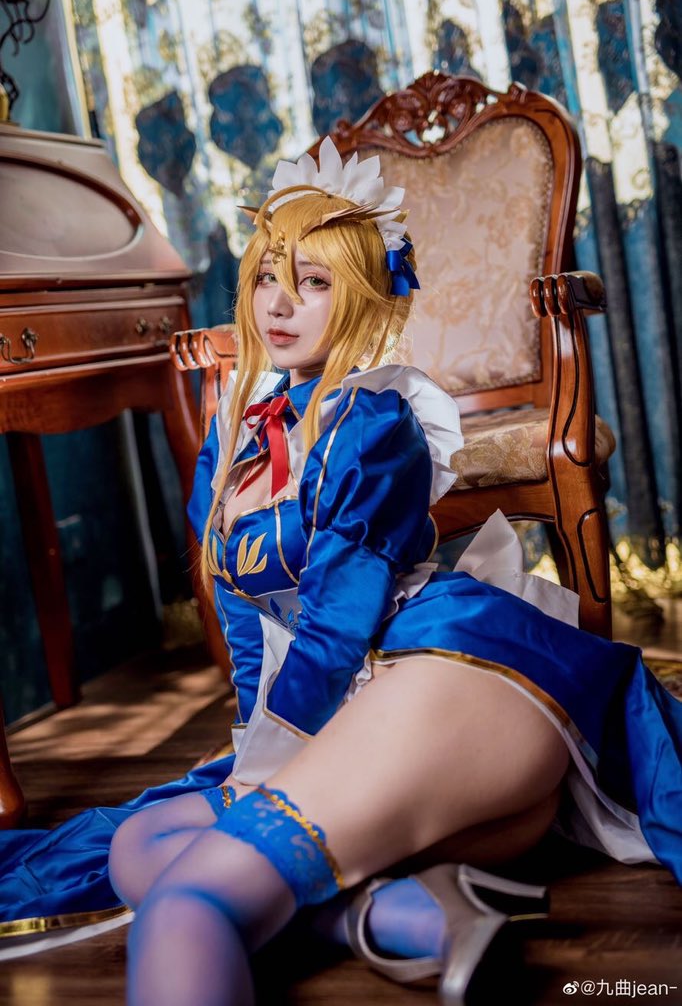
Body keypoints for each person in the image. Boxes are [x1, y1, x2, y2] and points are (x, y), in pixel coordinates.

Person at [0, 140, 679, 1004]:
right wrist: (252, 744)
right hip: (352, 712)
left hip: (439, 675)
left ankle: (386, 907)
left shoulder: (373, 423)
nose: (279, 303)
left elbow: (338, 618)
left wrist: (265, 768)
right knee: (139, 850)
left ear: (360, 298)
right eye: (266, 276)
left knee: (186, 904)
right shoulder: (235, 439)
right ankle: (411, 917)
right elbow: (250, 630)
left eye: (314, 282)